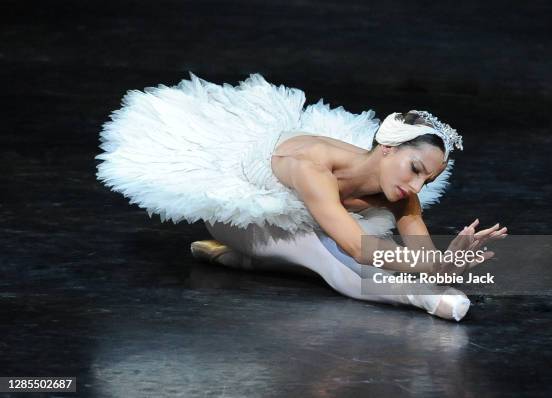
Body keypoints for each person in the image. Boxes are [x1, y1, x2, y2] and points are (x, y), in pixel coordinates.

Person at [96, 72, 507, 322]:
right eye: (415, 169)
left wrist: (446, 263)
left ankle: (241, 261)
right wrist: (432, 279)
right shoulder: (312, 164)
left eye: (427, 181)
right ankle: (424, 302)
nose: (416, 187)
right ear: (386, 145)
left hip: (306, 225)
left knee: (322, 246)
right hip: (245, 213)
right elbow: (357, 247)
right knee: (330, 256)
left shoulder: (402, 195)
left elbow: (420, 257)